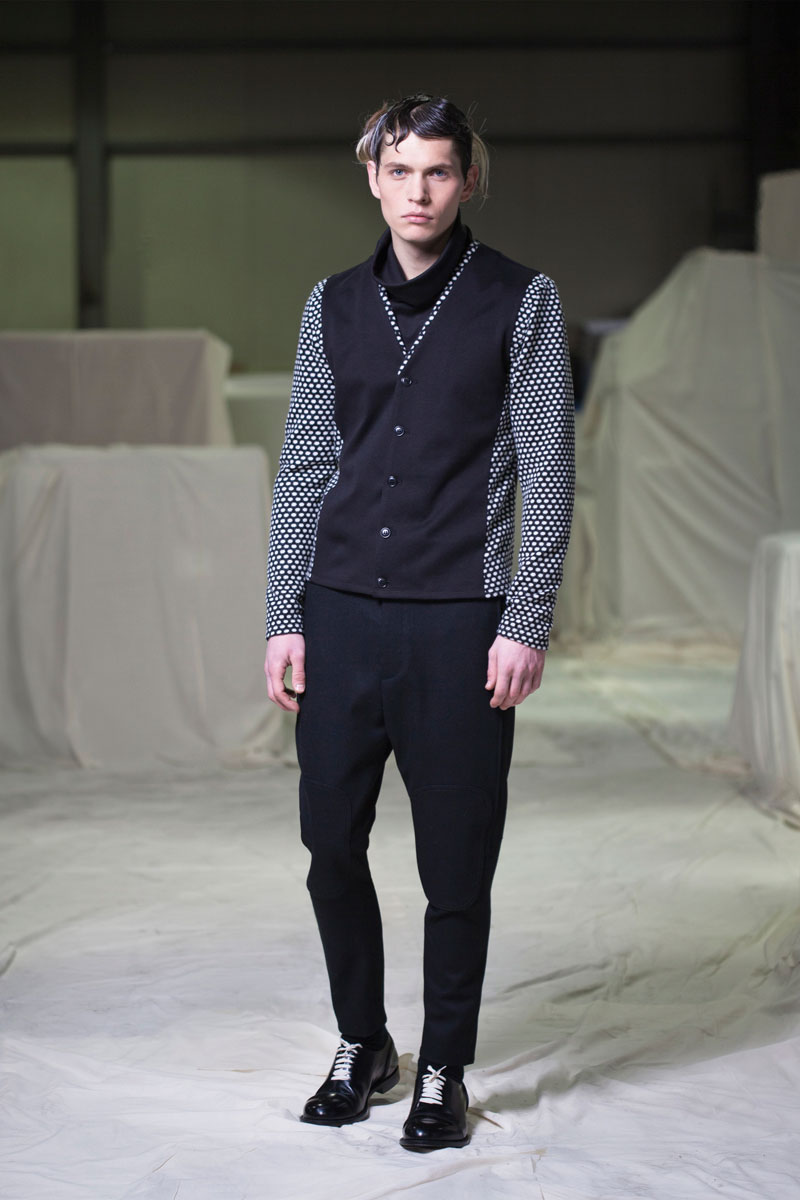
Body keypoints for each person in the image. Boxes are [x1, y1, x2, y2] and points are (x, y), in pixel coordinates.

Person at [265, 93, 575, 1153]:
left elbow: (547, 468)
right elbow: (305, 464)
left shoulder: (520, 299)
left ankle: (443, 1064)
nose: (419, 192)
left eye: (439, 171)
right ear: (371, 177)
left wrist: (525, 619)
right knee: (327, 846)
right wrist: (284, 614)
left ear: (467, 180)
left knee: (456, 862)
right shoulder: (331, 304)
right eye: (399, 171)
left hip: (459, 623)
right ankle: (364, 1043)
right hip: (339, 614)